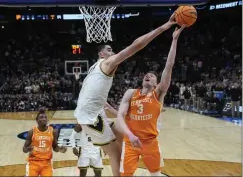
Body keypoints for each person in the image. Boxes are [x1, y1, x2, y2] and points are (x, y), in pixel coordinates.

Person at [74, 13, 178, 176]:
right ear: (101, 55)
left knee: (122, 137)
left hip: (96, 112)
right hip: (91, 117)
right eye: (109, 50)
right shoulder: (107, 63)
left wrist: (105, 105)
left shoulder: (94, 67)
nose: (113, 52)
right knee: (116, 152)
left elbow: (121, 116)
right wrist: (163, 28)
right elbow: (136, 45)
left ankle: (134, 155)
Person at [117, 25, 186, 176]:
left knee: (155, 174)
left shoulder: (158, 93)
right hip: (130, 142)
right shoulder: (130, 93)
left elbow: (169, 66)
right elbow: (120, 116)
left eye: (152, 75)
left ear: (156, 83)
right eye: (146, 75)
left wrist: (174, 40)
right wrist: (130, 135)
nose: (148, 76)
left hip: (150, 142)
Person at [23, 108, 67, 176]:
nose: (44, 119)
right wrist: (27, 149)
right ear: (37, 120)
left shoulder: (53, 131)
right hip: (33, 162)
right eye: (41, 117)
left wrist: (60, 149)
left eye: (45, 117)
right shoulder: (32, 132)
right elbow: (24, 149)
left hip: (47, 163)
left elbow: (55, 147)